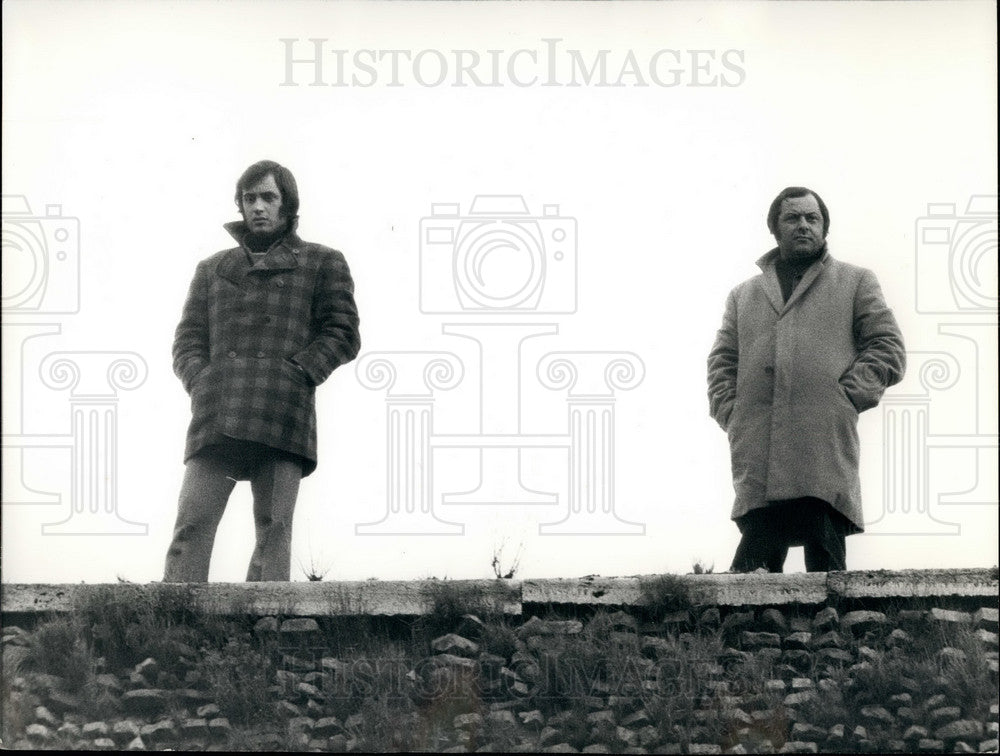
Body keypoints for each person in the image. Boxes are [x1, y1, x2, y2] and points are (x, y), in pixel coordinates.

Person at [164, 159, 361, 581]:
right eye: (249, 198)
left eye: (268, 197)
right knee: (192, 524)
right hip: (218, 409)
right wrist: (201, 379)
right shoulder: (212, 268)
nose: (258, 207)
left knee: (273, 531)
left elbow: (343, 332)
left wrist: (297, 373)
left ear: (287, 205)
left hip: (282, 410)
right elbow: (187, 338)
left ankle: (267, 628)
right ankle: (175, 624)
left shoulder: (322, 262)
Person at [707, 186, 905, 572]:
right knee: (752, 570)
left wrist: (845, 395)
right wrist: (731, 411)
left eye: (812, 218)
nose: (803, 226)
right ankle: (748, 629)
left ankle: (840, 629)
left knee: (825, 553)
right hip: (758, 438)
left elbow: (887, 345)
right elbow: (722, 361)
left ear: (824, 227)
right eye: (792, 218)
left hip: (821, 439)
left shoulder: (855, 282)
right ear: (775, 229)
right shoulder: (743, 295)